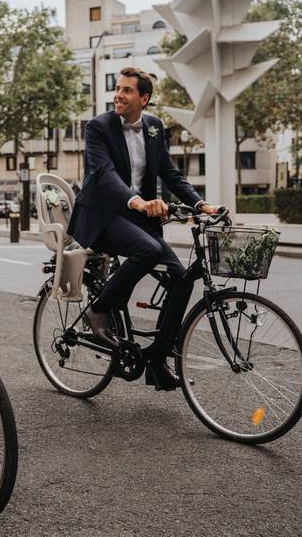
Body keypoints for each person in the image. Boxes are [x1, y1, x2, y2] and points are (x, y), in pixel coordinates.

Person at [67, 66, 219, 391]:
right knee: (147, 250)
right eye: (118, 89)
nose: (118, 95)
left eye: (126, 90)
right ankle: (99, 309)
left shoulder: (154, 127)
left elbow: (170, 173)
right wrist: (136, 201)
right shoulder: (99, 127)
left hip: (139, 220)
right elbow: (105, 174)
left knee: (181, 277)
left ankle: (157, 360)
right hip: (104, 217)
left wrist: (201, 205)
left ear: (144, 98)